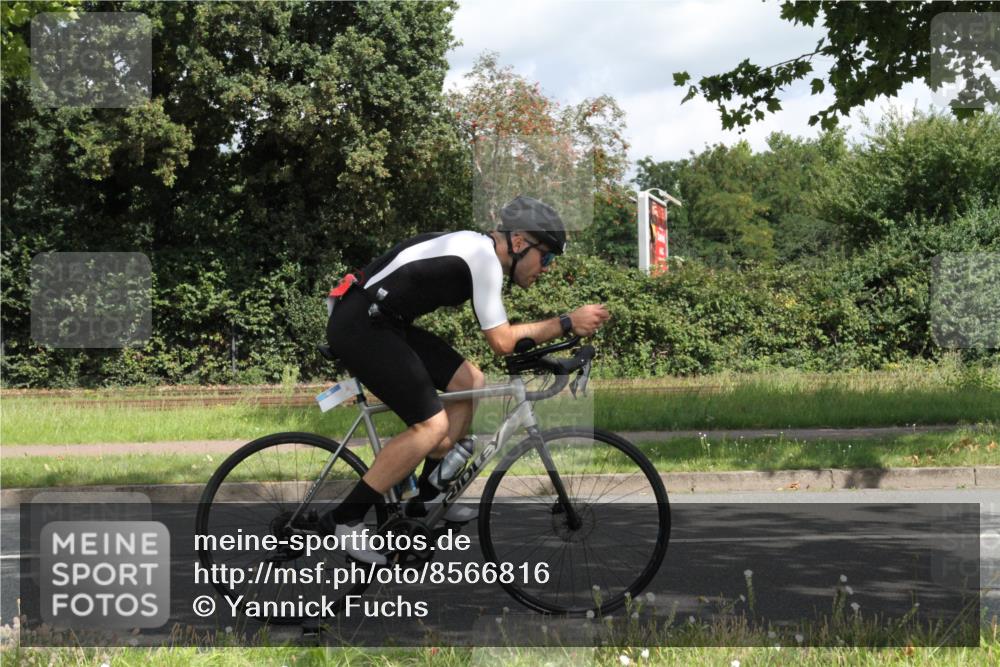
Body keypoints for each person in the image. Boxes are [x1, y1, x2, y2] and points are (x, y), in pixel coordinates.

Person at [319, 195, 610, 564]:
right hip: (360, 324)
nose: (547, 268)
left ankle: (425, 501)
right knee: (430, 426)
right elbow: (502, 342)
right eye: (547, 257)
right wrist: (567, 322)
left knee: (469, 381)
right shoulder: (483, 258)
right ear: (519, 242)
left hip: (384, 321)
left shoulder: (481, 252)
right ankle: (345, 519)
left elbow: (504, 343)